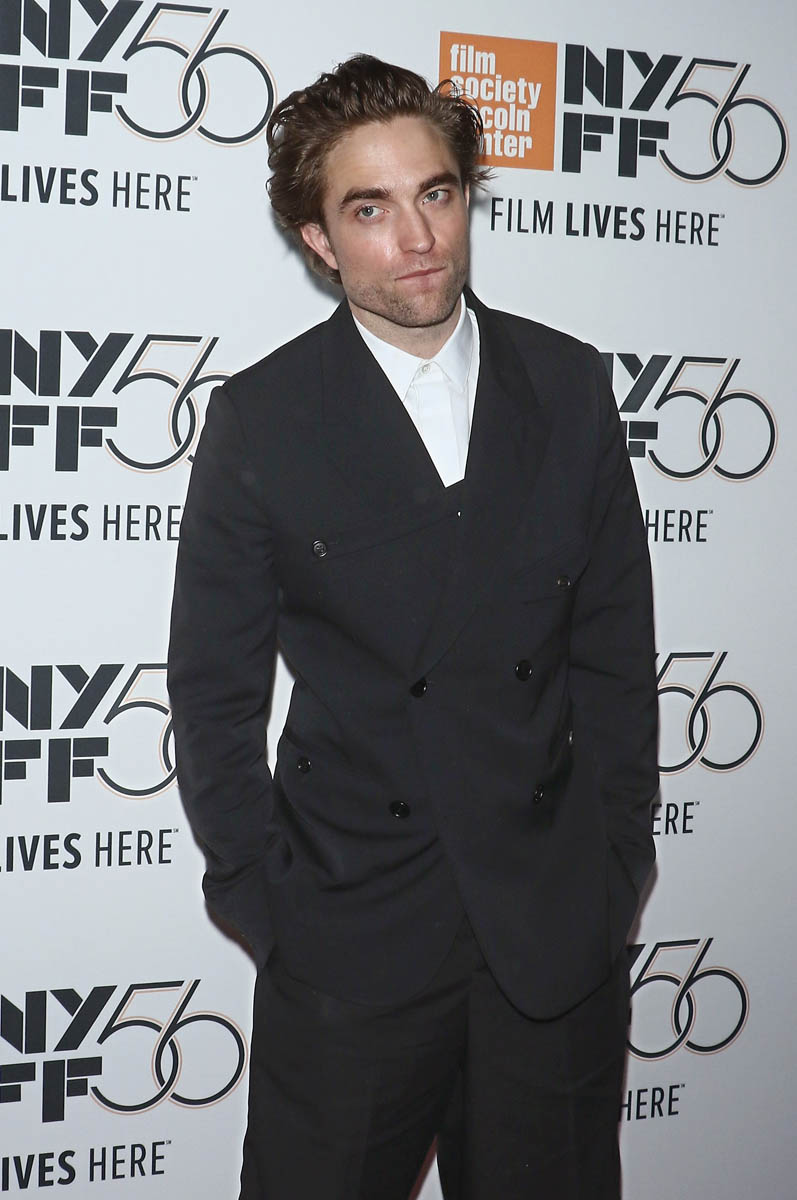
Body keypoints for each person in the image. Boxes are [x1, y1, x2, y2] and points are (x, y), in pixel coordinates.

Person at [168, 54, 659, 1200]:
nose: (417, 236)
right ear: (317, 240)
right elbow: (213, 693)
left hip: (549, 943)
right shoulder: (262, 417)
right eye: (369, 209)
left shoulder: (567, 386)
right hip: (350, 944)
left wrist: (614, 866)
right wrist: (268, 906)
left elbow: (614, 656)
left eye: (435, 192)